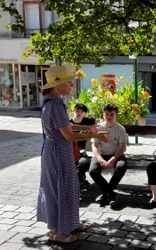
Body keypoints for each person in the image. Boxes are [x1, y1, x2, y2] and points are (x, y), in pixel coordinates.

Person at [37, 66, 109, 244]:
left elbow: (66, 126)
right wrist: (94, 135)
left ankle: (69, 223)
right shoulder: (55, 104)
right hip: (58, 153)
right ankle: (57, 232)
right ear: (58, 85)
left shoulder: (51, 102)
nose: (70, 84)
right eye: (67, 82)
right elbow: (68, 135)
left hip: (56, 151)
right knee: (59, 189)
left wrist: (86, 128)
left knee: (64, 187)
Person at [89, 104, 127, 210]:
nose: (109, 116)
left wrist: (113, 159)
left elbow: (122, 147)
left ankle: (106, 193)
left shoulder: (120, 129)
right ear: (103, 115)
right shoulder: (98, 128)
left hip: (116, 155)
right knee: (93, 171)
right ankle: (112, 194)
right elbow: (94, 146)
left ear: (116, 116)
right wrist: (100, 159)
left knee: (121, 167)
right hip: (101, 154)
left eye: (111, 114)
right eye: (106, 114)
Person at [70, 103, 96, 189]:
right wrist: (80, 135)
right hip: (69, 151)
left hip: (81, 152)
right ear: (73, 111)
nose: (79, 112)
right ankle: (78, 182)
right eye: (77, 110)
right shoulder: (68, 124)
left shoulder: (87, 121)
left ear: (85, 114)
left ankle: (78, 182)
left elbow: (100, 121)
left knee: (84, 162)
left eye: (81, 111)